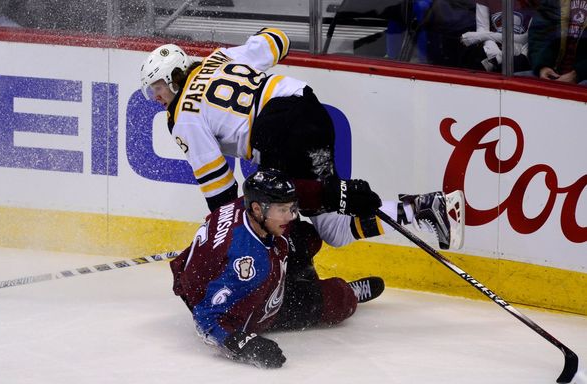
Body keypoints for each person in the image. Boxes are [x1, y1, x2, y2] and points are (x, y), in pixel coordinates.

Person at [139, 28, 465, 252]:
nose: (155, 97)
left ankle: (328, 209)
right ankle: (422, 208)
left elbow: (219, 186)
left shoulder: (182, 116)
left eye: (157, 87)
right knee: (333, 231)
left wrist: (228, 235)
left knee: (265, 208)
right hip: (309, 109)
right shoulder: (218, 59)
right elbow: (278, 41)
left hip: (276, 132)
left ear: (173, 76)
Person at [170, 169, 385, 368]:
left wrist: (338, 194)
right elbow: (206, 318)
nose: (290, 215)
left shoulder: (244, 206)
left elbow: (296, 193)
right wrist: (243, 344)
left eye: (291, 208)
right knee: (338, 300)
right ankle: (350, 292)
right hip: (259, 304)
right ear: (256, 209)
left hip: (219, 274)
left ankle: (298, 275)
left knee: (306, 235)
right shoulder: (248, 266)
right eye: (282, 210)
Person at [460, 0, 533, 72]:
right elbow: (482, 28)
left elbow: (526, 39)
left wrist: (499, 58)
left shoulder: (533, 3)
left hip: (519, 53)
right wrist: (493, 51)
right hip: (491, 47)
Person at [528, 0, 587, 85]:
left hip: (582, 78)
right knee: (516, 82)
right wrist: (542, 67)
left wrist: (578, 74)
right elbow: (539, 36)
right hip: (553, 73)